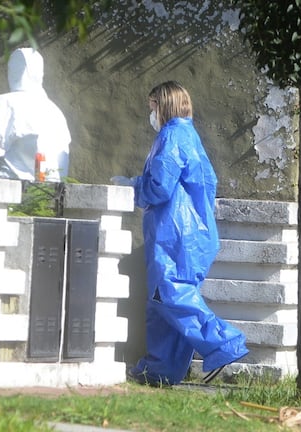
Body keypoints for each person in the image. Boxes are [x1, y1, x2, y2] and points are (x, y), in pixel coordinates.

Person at [112, 81, 249, 386]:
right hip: (190, 236)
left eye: (153, 106)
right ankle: (160, 371)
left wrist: (131, 187)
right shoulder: (189, 136)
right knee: (162, 304)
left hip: (174, 235)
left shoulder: (171, 135)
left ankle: (223, 342)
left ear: (163, 105)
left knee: (170, 295)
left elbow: (159, 186)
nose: (151, 113)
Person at [0, 47, 71, 182]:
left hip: (5, 194)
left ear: (13, 71)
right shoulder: (56, 113)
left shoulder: (6, 103)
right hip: (48, 197)